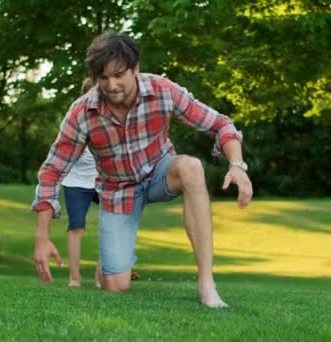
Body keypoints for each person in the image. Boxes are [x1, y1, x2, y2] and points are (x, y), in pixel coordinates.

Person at [32, 31, 252, 309]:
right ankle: (111, 267)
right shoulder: (82, 113)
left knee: (192, 167)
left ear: (135, 68)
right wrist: (42, 238)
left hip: (160, 172)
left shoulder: (162, 91)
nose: (111, 85)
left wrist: (237, 166)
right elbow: (52, 171)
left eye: (119, 74)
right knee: (116, 286)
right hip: (117, 191)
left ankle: (207, 284)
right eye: (103, 78)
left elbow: (219, 124)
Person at [62, 77, 140, 288]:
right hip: (76, 183)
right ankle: (74, 278)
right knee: (76, 226)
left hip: (101, 182)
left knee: (113, 223)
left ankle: (101, 276)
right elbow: (61, 155)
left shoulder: (112, 119)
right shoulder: (76, 119)